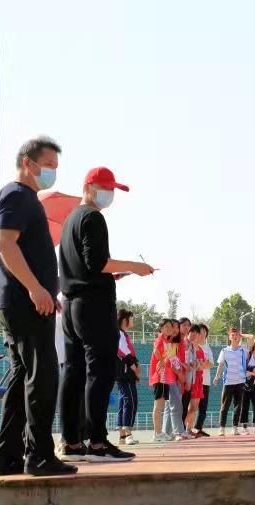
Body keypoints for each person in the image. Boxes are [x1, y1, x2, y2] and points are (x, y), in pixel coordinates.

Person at [0, 137, 76, 477]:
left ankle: (4, 456)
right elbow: (5, 244)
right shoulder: (16, 196)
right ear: (28, 163)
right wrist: (35, 287)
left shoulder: (24, 199)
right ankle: (39, 455)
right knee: (43, 376)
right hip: (24, 302)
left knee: (24, 376)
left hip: (23, 300)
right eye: (49, 165)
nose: (53, 172)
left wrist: (43, 289)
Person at [58, 167, 153, 462]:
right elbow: (98, 262)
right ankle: (98, 442)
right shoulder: (92, 217)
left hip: (72, 306)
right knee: (99, 374)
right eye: (105, 187)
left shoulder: (69, 221)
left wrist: (116, 274)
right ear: (89, 186)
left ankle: (71, 442)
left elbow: (85, 267)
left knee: (73, 373)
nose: (109, 194)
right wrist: (135, 266)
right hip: (93, 308)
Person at [213, 328, 249, 436]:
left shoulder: (243, 350)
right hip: (228, 382)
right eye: (232, 335)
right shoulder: (224, 351)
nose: (235, 337)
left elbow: (253, 339)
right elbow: (220, 365)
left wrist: (244, 335)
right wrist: (216, 377)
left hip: (240, 382)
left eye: (237, 335)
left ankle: (235, 428)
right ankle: (222, 428)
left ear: (239, 337)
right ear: (229, 337)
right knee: (224, 406)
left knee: (238, 406)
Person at [161, 319, 189, 440]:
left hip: (176, 376)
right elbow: (169, 361)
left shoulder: (179, 342)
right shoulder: (165, 341)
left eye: (177, 328)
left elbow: (179, 361)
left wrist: (182, 369)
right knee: (175, 404)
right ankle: (178, 431)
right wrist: (179, 371)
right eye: (174, 327)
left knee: (170, 405)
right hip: (168, 376)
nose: (175, 330)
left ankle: (166, 433)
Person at [116, 309, 141, 445]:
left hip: (123, 372)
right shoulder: (119, 334)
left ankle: (122, 435)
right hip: (125, 371)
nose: (133, 321)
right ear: (125, 320)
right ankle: (128, 433)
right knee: (130, 400)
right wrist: (134, 366)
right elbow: (122, 352)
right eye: (131, 318)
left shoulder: (122, 334)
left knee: (123, 401)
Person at [149, 319, 177, 442]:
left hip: (165, 378)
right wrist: (160, 361)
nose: (169, 329)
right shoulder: (160, 338)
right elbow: (155, 350)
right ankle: (157, 434)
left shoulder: (169, 342)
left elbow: (171, 358)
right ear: (161, 328)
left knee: (161, 405)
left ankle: (159, 433)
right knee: (158, 405)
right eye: (166, 327)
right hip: (159, 376)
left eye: (170, 327)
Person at [184, 325, 209, 435]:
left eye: (199, 333)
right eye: (194, 332)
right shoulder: (188, 346)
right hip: (191, 379)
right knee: (189, 406)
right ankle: (184, 429)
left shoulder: (201, 349)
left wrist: (200, 364)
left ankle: (189, 429)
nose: (198, 335)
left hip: (199, 379)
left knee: (194, 407)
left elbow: (203, 364)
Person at [192, 323, 214, 437]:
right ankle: (187, 428)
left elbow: (211, 363)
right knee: (192, 406)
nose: (203, 335)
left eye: (205, 333)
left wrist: (201, 365)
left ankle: (198, 428)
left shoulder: (207, 347)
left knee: (203, 408)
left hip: (205, 381)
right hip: (194, 380)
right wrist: (200, 365)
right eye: (201, 332)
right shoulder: (192, 346)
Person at [178, 318, 194, 424]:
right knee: (177, 405)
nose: (186, 327)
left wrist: (193, 363)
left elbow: (190, 359)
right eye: (184, 325)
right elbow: (173, 357)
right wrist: (184, 365)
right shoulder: (177, 340)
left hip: (187, 376)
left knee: (185, 403)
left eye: (188, 325)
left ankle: (182, 428)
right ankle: (175, 430)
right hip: (177, 375)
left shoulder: (189, 343)